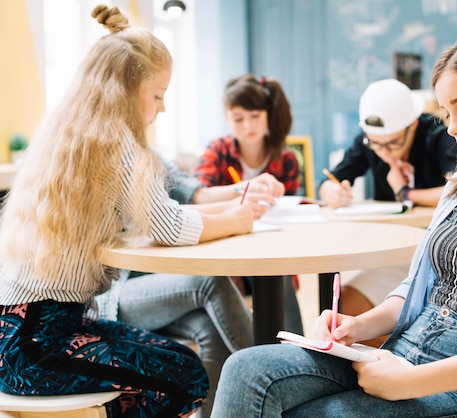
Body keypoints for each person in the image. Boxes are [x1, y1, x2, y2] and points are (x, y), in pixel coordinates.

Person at [210, 28, 457, 417]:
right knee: (243, 370)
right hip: (406, 348)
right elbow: (417, 287)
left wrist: (408, 383)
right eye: (446, 112)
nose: (452, 127)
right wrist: (359, 326)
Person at [0, 5, 254, 417]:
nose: (163, 108)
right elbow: (169, 225)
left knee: (172, 360)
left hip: (21, 333)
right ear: (126, 89)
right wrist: (236, 220)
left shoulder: (68, 134)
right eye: (158, 95)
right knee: (184, 375)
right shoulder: (117, 143)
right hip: (36, 346)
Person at [94, 156, 272, 416]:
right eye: (157, 109)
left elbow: (188, 191)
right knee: (210, 282)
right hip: (112, 293)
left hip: (154, 285)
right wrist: (231, 215)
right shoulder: (119, 153)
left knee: (210, 326)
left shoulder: (146, 152)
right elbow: (170, 221)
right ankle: (271, 373)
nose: (162, 111)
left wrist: (235, 202)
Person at [319, 78, 457, 343]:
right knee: (343, 311)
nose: (383, 153)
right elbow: (331, 180)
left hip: (436, 253)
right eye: (376, 144)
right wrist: (331, 190)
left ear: (412, 125)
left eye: (393, 144)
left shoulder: (438, 135)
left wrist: (405, 193)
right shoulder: (370, 141)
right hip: (389, 252)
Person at [195, 73, 303, 333]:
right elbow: (196, 194)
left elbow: (290, 216)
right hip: (224, 249)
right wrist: (237, 197)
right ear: (227, 119)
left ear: (268, 115)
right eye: (238, 119)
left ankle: (296, 354)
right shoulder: (217, 151)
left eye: (255, 116)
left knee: (277, 274)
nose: (247, 126)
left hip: (271, 249)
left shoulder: (286, 159)